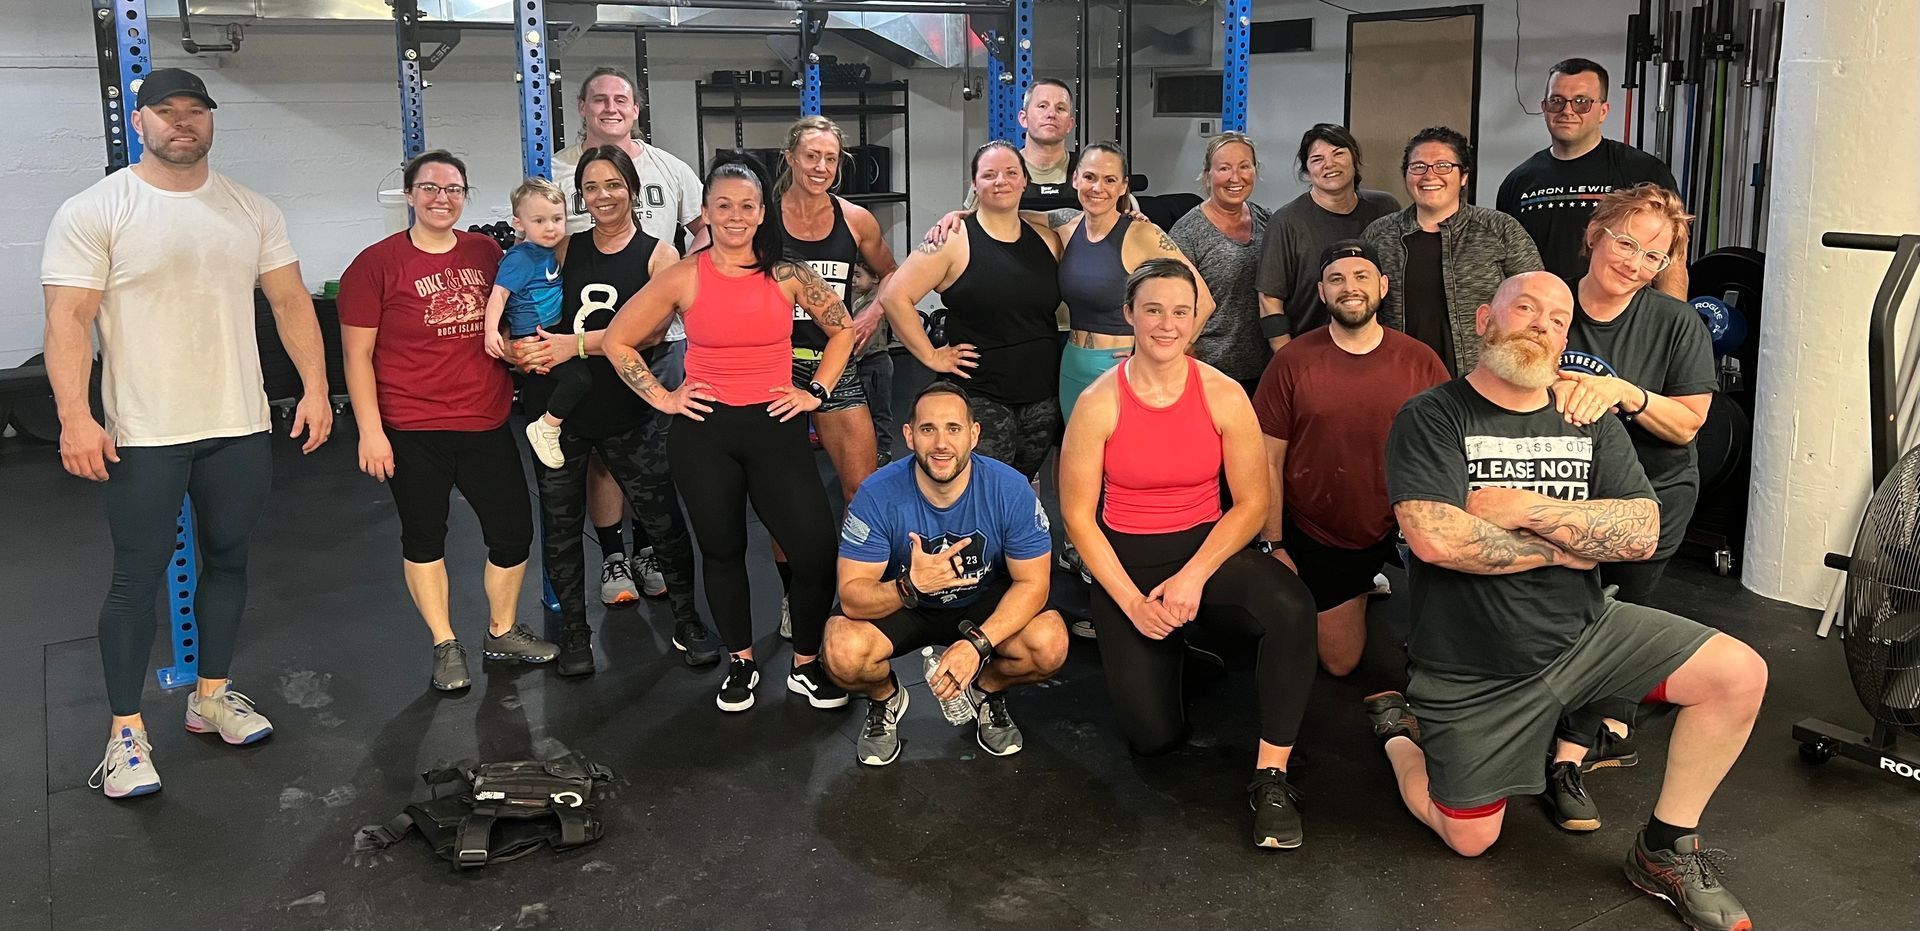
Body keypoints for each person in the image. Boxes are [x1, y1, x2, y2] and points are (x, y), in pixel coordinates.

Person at [1367, 271, 1764, 931]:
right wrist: (1570, 542)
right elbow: (1435, 539)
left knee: (1739, 673)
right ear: (1484, 321)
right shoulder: (1433, 415)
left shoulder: (1588, 420)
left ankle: (1665, 846)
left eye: (1557, 318)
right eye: (1524, 307)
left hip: (1584, 633)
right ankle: (1400, 736)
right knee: (1470, 838)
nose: (1542, 323)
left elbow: (1641, 530)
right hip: (1473, 664)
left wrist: (1526, 509)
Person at [43, 68, 333, 799]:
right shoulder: (97, 208)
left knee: (229, 560)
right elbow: (69, 319)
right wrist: (75, 414)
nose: (182, 123)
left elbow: (292, 301)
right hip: (144, 430)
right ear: (139, 123)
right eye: (166, 112)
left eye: (195, 111)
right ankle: (125, 734)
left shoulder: (250, 208)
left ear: (212, 120)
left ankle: (211, 695)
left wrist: (317, 388)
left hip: (237, 421)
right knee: (135, 578)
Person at [1061, 259, 1319, 850]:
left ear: (1196, 320)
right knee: (1154, 740)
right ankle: (1179, 647)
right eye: (1152, 310)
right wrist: (1130, 603)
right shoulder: (1100, 401)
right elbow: (1077, 516)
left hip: (1207, 550)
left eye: (1181, 311)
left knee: (1292, 607)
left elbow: (1252, 503)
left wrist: (1194, 577)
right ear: (1129, 315)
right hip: (1128, 561)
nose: (1166, 324)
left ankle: (1272, 776)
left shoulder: (1224, 394)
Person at [600, 155, 856, 713]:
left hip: (775, 426)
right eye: (723, 206)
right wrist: (665, 397)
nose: (736, 216)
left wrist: (816, 391)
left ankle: (806, 665)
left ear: (762, 211)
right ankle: (741, 661)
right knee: (722, 551)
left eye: (747, 205)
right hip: (705, 433)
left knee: (814, 550)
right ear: (707, 212)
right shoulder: (684, 276)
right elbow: (618, 340)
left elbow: (842, 330)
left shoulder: (789, 273)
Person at [339, 149, 558, 693]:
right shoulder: (375, 264)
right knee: (424, 538)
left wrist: (519, 350)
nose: (442, 197)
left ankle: (501, 632)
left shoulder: (487, 251)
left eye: (454, 188)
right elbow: (356, 357)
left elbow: (513, 313)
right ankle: (443, 642)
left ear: (465, 195)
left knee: (512, 533)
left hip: (485, 418)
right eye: (430, 187)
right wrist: (370, 431)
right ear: (410, 194)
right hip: (412, 427)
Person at [1544, 184, 1717, 831]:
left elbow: (1689, 423)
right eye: (1625, 242)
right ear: (1596, 234)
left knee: (1610, 620)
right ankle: (1606, 706)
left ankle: (1568, 761)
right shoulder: (1550, 304)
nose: (1634, 262)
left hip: (1652, 496)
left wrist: (1624, 392)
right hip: (1562, 492)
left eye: (1653, 255)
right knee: (1557, 611)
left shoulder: (1675, 324)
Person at [509, 145, 717, 677]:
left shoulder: (659, 255)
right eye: (592, 187)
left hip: (629, 407)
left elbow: (647, 330)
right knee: (559, 526)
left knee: (664, 520)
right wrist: (519, 345)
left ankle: (689, 620)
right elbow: (525, 300)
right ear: (582, 194)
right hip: (560, 412)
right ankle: (575, 633)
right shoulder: (563, 248)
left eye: (613, 185)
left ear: (633, 189)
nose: (603, 196)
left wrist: (571, 345)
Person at [823, 382, 1070, 766]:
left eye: (953, 429)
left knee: (1049, 642)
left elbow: (1034, 584)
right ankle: (885, 698)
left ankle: (986, 692)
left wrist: (978, 646)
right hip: (907, 603)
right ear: (909, 436)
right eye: (928, 429)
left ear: (974, 434)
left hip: (980, 599)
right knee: (842, 651)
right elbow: (853, 595)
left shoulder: (1011, 489)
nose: (941, 443)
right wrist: (911, 585)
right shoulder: (876, 495)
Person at [1252, 240, 1449, 677]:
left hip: (1399, 521)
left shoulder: (1420, 361)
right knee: (1340, 663)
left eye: (1361, 276)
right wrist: (1274, 544)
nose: (1349, 287)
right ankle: (1359, 583)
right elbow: (1266, 459)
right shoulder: (1292, 362)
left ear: (1382, 286)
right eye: (1336, 279)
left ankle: (1376, 570)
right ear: (1322, 292)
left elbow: (1445, 451)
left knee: (1449, 638)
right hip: (1325, 530)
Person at [551, 66, 705, 606]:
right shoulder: (555, 172)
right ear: (582, 108)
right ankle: (614, 555)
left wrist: (684, 285)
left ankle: (648, 551)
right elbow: (538, 245)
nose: (611, 108)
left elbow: (702, 230)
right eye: (599, 100)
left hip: (659, 338)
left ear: (636, 108)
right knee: (602, 456)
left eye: (622, 99)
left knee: (651, 454)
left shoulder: (672, 169)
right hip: (585, 341)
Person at [770, 115, 901, 631]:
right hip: (773, 367)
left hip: (836, 364)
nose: (821, 167)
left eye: (830, 158)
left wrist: (871, 312)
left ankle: (858, 588)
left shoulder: (856, 220)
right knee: (782, 493)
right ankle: (793, 597)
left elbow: (892, 272)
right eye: (811, 156)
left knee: (861, 486)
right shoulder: (764, 219)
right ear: (790, 158)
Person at [880, 141, 1064, 481]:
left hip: (1042, 396)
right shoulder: (952, 238)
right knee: (978, 491)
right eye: (989, 174)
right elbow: (894, 297)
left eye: (1011, 173)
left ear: (1025, 181)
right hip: (981, 396)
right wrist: (931, 356)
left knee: (1019, 491)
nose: (1001, 181)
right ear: (974, 185)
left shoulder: (1049, 239)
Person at [1497, 58, 1690, 299]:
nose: (1567, 111)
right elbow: (1507, 268)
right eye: (1557, 101)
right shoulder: (1517, 183)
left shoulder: (1644, 173)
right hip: (1544, 321)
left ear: (1603, 111)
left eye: (1581, 102)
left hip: (1621, 324)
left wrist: (1671, 327)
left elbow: (1672, 261)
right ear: (1544, 107)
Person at [1364, 127, 1543, 377]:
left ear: (1463, 176)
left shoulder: (1500, 229)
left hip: (1483, 381)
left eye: (1443, 166)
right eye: (1418, 167)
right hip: (1398, 378)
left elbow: (1538, 300)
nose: (1429, 175)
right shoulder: (1379, 235)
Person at [1255, 123, 1402, 343]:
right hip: (1309, 349)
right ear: (1306, 170)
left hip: (1376, 348)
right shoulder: (1286, 221)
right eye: (1317, 159)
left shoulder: (1385, 209)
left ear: (1354, 158)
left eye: (1338, 154)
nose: (1329, 164)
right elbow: (1269, 299)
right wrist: (1286, 359)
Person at [482, 177, 586, 469]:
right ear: (519, 222)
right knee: (578, 378)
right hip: (534, 336)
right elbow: (499, 295)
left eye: (557, 219)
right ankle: (547, 427)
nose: (550, 227)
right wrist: (492, 331)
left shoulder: (547, 251)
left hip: (552, 330)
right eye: (539, 220)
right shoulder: (520, 259)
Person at [1170, 133, 1271, 394]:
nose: (1235, 178)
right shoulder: (1186, 233)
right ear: (1208, 175)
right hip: (1209, 374)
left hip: (1265, 372)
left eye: (1244, 166)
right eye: (1224, 168)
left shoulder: (1269, 221)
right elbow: (1175, 307)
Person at [849, 260, 897, 464]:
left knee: (880, 410)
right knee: (865, 410)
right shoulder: (858, 301)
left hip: (876, 362)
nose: (853, 281)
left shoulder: (877, 303)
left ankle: (883, 450)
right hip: (861, 363)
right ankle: (868, 449)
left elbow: (865, 338)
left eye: (858, 275)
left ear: (876, 278)